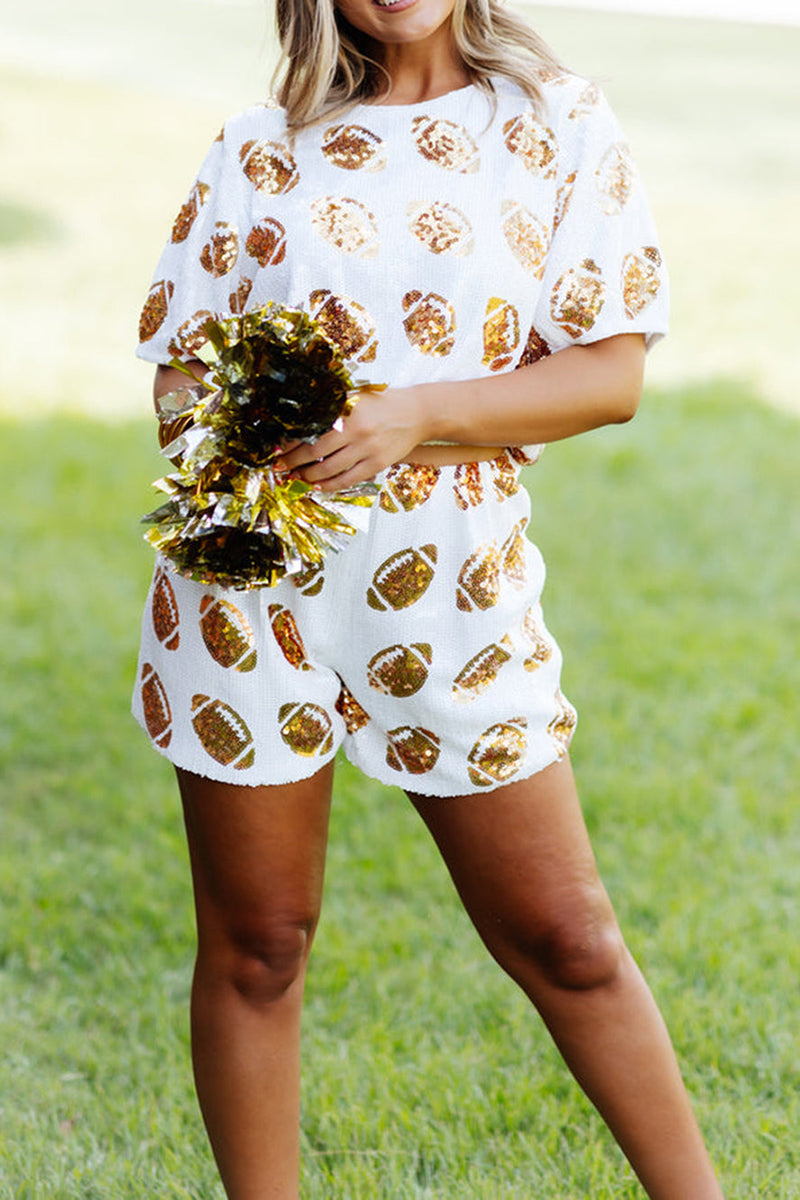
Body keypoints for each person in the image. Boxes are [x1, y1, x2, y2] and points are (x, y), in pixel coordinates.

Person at [133, 1, 723, 1196]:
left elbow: (608, 376)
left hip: (452, 590)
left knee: (567, 938)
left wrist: (415, 414)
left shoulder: (553, 122)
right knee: (256, 949)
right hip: (251, 596)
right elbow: (181, 377)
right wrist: (237, 432)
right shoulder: (258, 145)